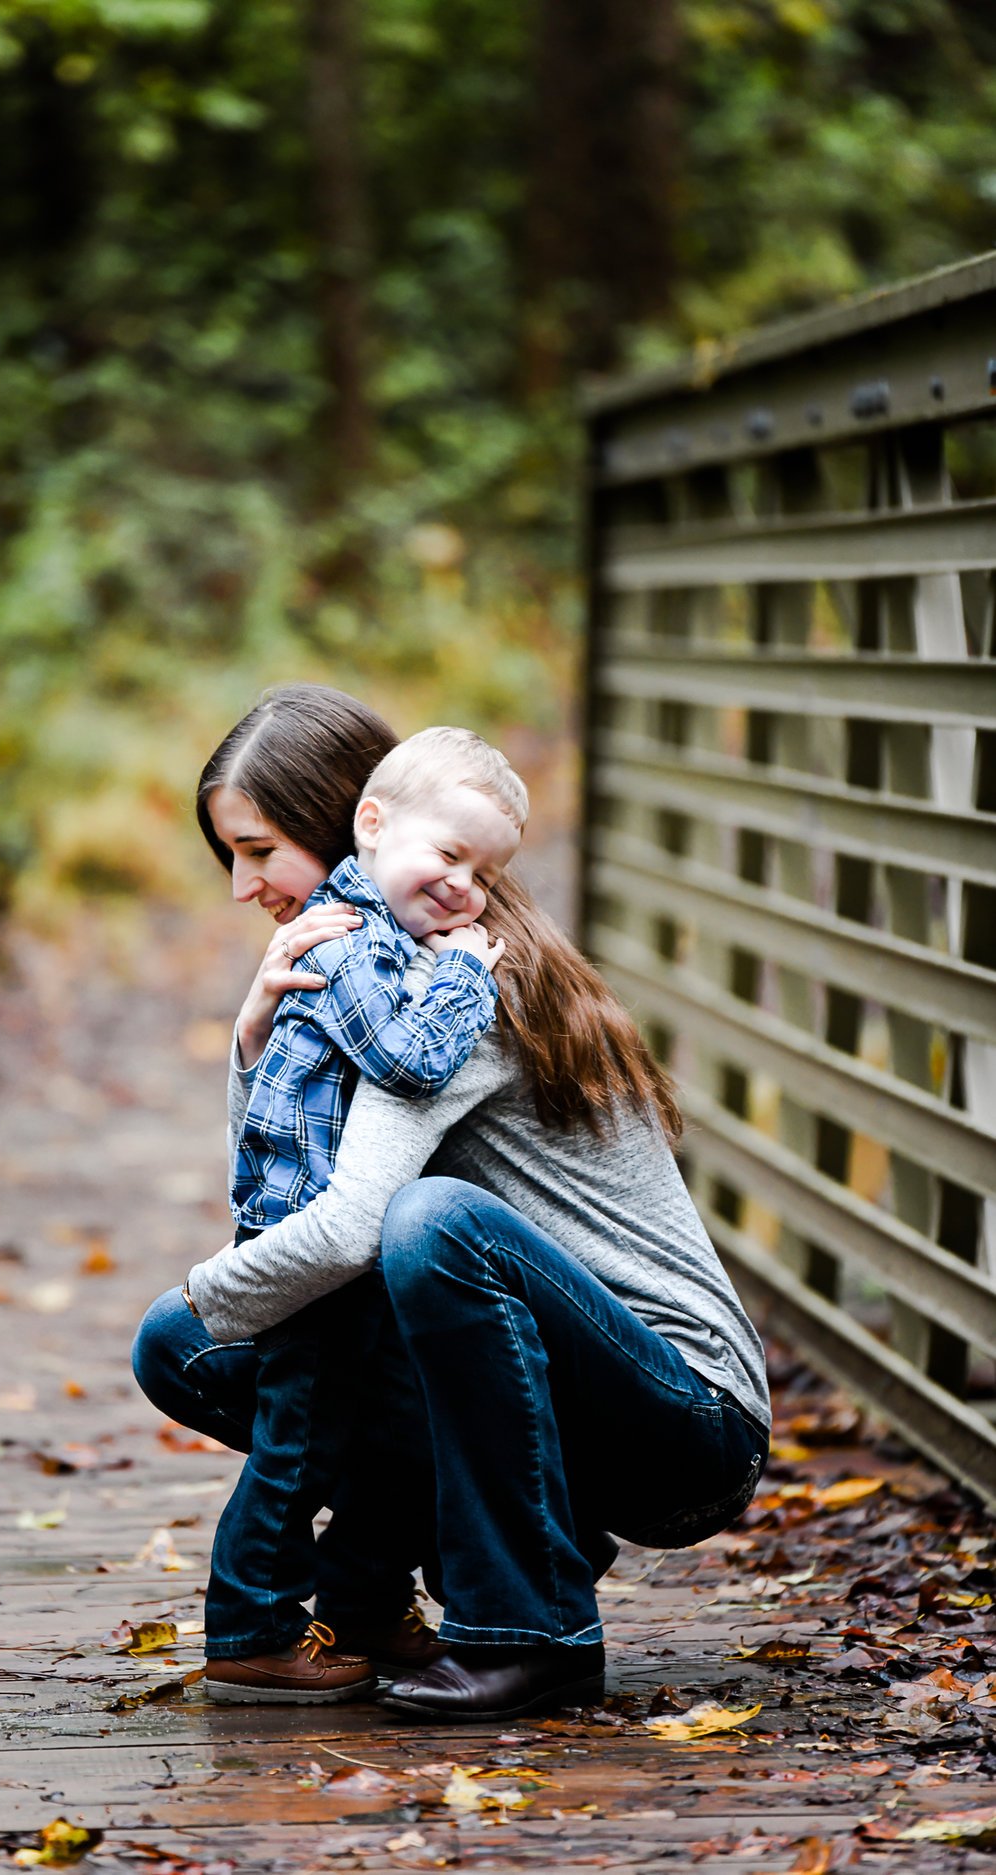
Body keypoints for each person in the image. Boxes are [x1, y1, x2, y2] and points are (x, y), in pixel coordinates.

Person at [132, 683, 770, 1722]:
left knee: (425, 1231)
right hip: (565, 1397)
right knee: (201, 1337)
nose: (243, 887)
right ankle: (402, 1590)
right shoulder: (368, 976)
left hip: (684, 1422)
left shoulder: (445, 991)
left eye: (257, 851)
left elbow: (339, 1230)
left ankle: (532, 1631)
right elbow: (287, 1199)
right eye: (230, 858)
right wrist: (253, 1045)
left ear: (354, 826)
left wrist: (208, 1296)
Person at [200, 725, 523, 1703]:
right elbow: (408, 1061)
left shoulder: (372, 930)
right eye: (449, 859)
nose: (466, 889)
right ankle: (249, 1628)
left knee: (377, 1426)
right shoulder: (355, 941)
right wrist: (468, 971)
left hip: (358, 1252)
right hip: (323, 1252)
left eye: (256, 851)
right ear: (371, 829)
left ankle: (361, 1603)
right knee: (300, 1441)